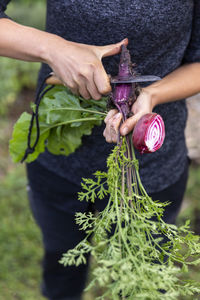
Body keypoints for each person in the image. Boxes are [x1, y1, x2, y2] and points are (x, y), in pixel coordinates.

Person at [0, 1, 200, 299]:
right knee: (61, 265)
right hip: (59, 148)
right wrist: (53, 49)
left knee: (139, 282)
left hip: (150, 167)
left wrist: (153, 94)